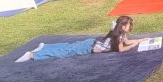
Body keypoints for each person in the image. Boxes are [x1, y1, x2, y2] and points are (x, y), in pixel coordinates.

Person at [15, 16, 145, 62]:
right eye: (129, 25)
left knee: (68, 46)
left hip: (91, 43)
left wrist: (140, 41)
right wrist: (133, 46)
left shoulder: (120, 34)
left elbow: (127, 42)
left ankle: (44, 47)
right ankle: (32, 55)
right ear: (123, 26)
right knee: (65, 52)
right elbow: (122, 49)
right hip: (88, 47)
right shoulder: (117, 36)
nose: (130, 27)